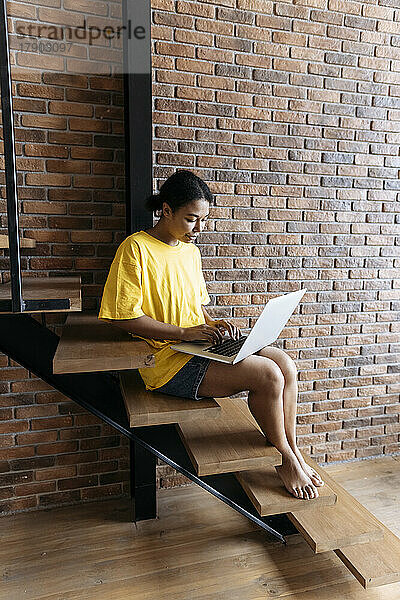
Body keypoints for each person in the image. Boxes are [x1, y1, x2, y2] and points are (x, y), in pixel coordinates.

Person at [99, 169, 324, 500]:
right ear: (165, 210)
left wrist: (212, 323)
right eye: (192, 220)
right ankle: (286, 460)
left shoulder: (190, 251)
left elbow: (195, 305)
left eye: (203, 220)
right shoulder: (136, 249)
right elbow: (122, 317)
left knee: (285, 364)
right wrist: (184, 331)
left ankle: (291, 447)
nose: (199, 230)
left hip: (198, 345)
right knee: (268, 376)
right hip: (166, 361)